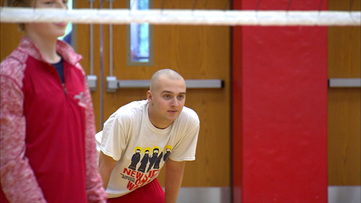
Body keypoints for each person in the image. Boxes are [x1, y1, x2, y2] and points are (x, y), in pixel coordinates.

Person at [0, 0, 107, 202]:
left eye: (64, 2)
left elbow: (88, 149)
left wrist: (97, 197)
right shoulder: (10, 75)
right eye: (49, 2)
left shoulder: (76, 70)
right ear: (22, 12)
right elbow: (10, 160)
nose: (61, 8)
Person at [97, 69, 200, 203]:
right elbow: (104, 167)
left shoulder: (188, 121)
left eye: (180, 96)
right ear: (150, 97)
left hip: (136, 185)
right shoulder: (127, 118)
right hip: (96, 180)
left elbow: (175, 168)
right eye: (167, 96)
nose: (175, 104)